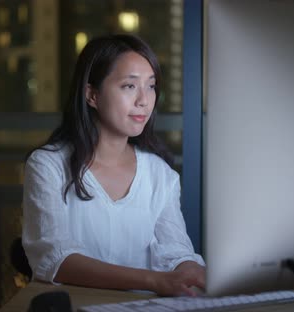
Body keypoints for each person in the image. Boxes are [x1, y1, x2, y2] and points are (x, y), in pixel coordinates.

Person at [22, 34, 205, 297]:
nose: (144, 100)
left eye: (151, 86)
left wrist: (192, 270)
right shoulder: (47, 165)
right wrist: (154, 280)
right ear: (92, 95)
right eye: (129, 86)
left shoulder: (160, 173)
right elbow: (55, 259)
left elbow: (176, 253)